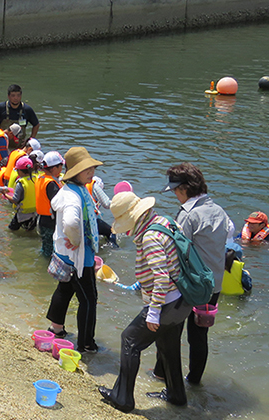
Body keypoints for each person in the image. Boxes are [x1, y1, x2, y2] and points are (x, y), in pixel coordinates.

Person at [98, 192, 192, 412]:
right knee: (168, 346)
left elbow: (161, 277)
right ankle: (177, 396)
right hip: (181, 301)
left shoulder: (150, 237)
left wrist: (153, 312)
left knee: (129, 339)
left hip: (166, 302)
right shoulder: (165, 222)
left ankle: (122, 399)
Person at [153, 162, 232, 385]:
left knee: (170, 331)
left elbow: (177, 250)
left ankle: (162, 376)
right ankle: (194, 381)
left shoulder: (188, 215)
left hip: (188, 286)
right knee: (199, 335)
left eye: (176, 191)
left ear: (184, 189)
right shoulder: (219, 210)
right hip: (213, 285)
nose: (176, 196)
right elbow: (229, 236)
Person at [45, 146, 103, 353]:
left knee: (65, 288)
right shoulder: (72, 195)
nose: (91, 172)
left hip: (67, 252)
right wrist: (76, 239)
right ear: (74, 172)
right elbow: (70, 221)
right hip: (76, 256)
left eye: (91, 168)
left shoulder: (72, 190)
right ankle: (87, 344)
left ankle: (56, 328)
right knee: (89, 299)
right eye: (86, 169)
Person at [36, 151, 64, 256]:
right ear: (53, 168)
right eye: (61, 166)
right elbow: (57, 205)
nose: (62, 168)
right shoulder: (51, 184)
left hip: (42, 219)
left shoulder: (41, 177)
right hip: (51, 221)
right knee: (51, 250)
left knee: (46, 246)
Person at [7, 156, 38, 232]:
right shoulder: (36, 179)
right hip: (35, 213)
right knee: (29, 231)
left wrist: (5, 195)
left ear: (20, 171)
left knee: (11, 231)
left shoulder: (21, 183)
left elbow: (15, 200)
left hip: (22, 213)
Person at [88, 176, 119, 247]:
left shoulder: (78, 185)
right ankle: (113, 249)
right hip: (91, 221)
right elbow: (107, 204)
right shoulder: (94, 185)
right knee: (111, 231)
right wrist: (121, 202)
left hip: (79, 220)